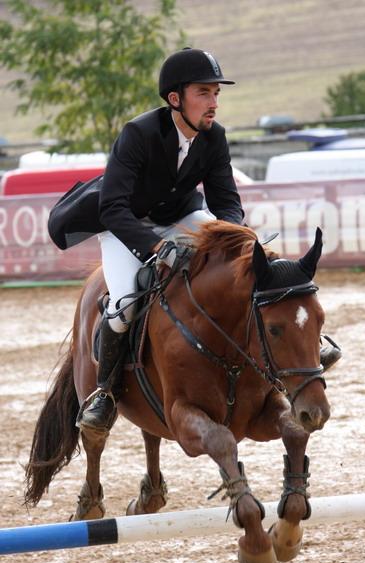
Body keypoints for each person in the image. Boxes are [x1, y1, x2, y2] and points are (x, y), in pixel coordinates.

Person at [77, 47, 245, 431]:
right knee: (125, 303)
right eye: (204, 93)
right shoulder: (138, 134)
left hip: (181, 217)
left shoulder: (214, 136)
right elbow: (112, 207)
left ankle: (287, 349)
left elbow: (227, 203)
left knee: (242, 254)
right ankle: (105, 392)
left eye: (216, 93)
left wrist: (233, 236)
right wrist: (155, 247)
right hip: (126, 226)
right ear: (175, 98)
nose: (214, 103)